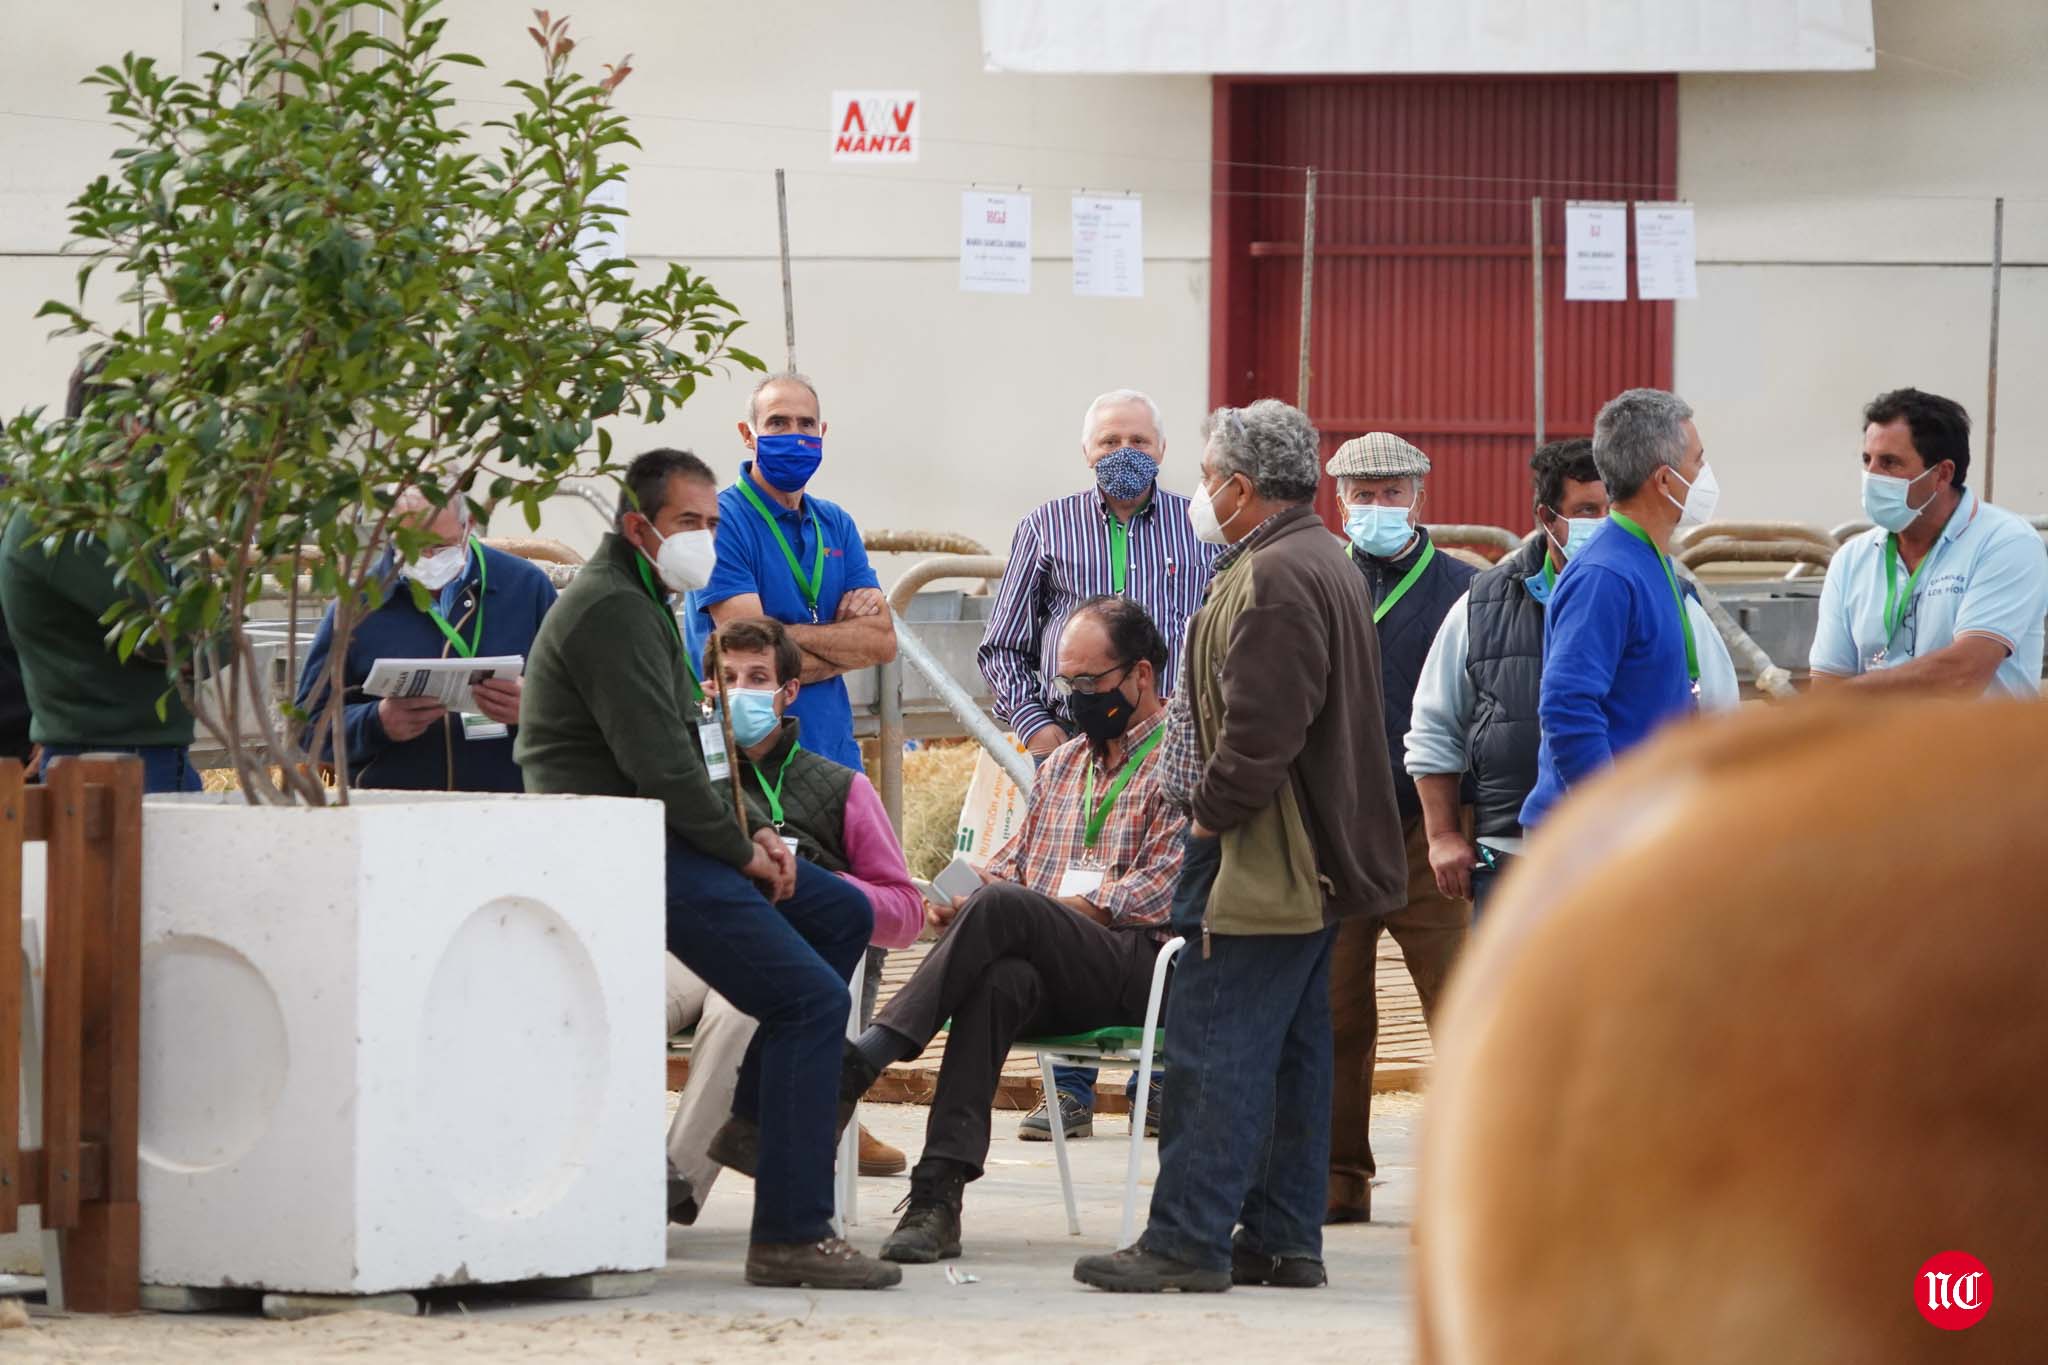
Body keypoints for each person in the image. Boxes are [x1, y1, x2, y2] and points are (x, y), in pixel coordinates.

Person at [517, 447, 898, 1290]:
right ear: (637, 527)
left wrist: (757, 831)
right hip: (626, 849)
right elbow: (660, 767)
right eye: (688, 522)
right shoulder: (613, 609)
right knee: (811, 1000)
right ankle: (792, 1234)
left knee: (841, 912)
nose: (705, 538)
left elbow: (696, 749)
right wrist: (743, 850)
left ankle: (757, 1117)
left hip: (665, 834)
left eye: (713, 522)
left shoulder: (650, 597)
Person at [1074, 400, 1407, 1294]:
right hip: (1300, 856)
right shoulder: (1310, 558)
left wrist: (1207, 822)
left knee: (1213, 1048)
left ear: (1242, 486)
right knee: (1292, 1054)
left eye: (1208, 476)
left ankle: (1186, 1238)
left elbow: (1261, 733)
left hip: (1261, 855)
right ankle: (1282, 1237)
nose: (1200, 492)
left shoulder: (1279, 576)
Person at [841, 596, 1187, 1264]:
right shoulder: (1062, 765)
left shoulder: (1180, 758)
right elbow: (1014, 866)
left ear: (1141, 674)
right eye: (1067, 683)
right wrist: (967, 891)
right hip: (1056, 965)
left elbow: (1156, 891)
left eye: (1091, 682)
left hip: (1142, 963)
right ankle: (936, 1197)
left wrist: (1029, 905)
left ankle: (869, 1054)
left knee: (1006, 911)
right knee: (998, 977)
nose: (1077, 698)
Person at [977, 387, 1218, 1142]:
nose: (1125, 453)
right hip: (1078, 753)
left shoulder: (1199, 527)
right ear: (1086, 451)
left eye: (1139, 440)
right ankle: (1068, 1090)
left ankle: (1159, 1085)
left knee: (1158, 904)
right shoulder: (1045, 527)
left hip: (1169, 750)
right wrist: (1042, 734)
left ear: (1163, 450)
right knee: (1066, 892)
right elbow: (1003, 646)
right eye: (1110, 440)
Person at [1406, 439, 1740, 916]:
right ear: (1547, 518)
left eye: (1610, 508)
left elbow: (1720, 718)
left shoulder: (1673, 597)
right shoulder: (1482, 606)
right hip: (1512, 856)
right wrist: (1442, 835)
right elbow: (1435, 725)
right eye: (1586, 510)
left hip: (1639, 852)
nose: (1602, 523)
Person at [664, 616, 924, 1224]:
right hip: (685, 942)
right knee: (618, 999)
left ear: (788, 692)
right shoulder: (687, 775)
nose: (740, 691)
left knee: (741, 1015)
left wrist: (819, 885)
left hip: (778, 949)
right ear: (706, 690)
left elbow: (906, 914)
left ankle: (669, 1190)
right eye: (727, 678)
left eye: (757, 678)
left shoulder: (843, 788)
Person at [1322, 432, 1475, 1224]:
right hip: (1339, 832)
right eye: (1363, 494)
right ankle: (1337, 1178)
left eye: (1392, 492)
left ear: (1420, 496)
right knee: (1336, 1014)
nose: (1377, 506)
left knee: (1461, 1003)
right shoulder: (1319, 581)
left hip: (1430, 828)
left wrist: (1463, 817)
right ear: (1337, 500)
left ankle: (1477, 1180)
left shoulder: (1465, 588)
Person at [1519, 390, 1714, 835]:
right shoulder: (1605, 575)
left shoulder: (1647, 559)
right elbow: (1567, 705)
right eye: (1698, 461)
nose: (1705, 474)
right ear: (1664, 480)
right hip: (1595, 839)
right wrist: (1612, 818)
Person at [0, 362, 201, 793]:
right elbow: (172, 636)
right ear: (125, 423)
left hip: (155, 756)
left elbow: (212, 634)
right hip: (105, 762)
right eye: (152, 418)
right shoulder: (62, 518)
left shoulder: (131, 514)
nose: (164, 439)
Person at [686, 372, 895, 771]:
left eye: (806, 424)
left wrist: (781, 640)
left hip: (833, 758)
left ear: (822, 432)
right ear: (748, 434)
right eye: (778, 423)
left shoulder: (835, 522)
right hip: (749, 762)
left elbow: (882, 643)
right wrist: (846, 652)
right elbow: (750, 654)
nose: (795, 436)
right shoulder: (719, 521)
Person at [294, 489, 554, 791]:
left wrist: (536, 708)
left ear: (469, 524)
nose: (428, 558)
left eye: (441, 546)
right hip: (394, 806)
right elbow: (307, 728)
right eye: (413, 545)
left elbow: (583, 707)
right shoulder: (357, 605)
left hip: (510, 806)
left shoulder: (526, 587)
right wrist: (376, 722)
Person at [1810, 387, 2047, 697]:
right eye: (1867, 460)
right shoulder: (1851, 559)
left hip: (1978, 731)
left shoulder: (2006, 544)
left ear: (1942, 474)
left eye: (1890, 462)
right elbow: (1826, 687)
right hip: (1877, 732)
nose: (1871, 476)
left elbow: (1963, 673)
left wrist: (1850, 695)